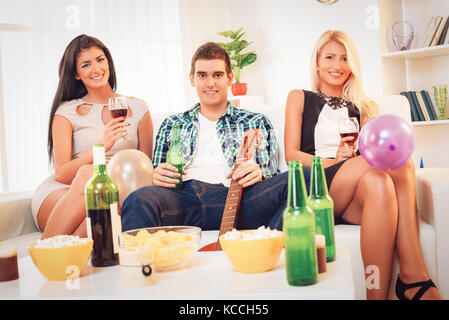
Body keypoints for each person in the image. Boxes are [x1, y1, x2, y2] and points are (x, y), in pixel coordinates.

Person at [284, 30, 441, 300]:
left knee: (381, 179)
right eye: (330, 57)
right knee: (396, 164)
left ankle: (375, 296)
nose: (337, 65)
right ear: (318, 62)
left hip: (353, 192)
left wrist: (356, 160)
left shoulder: (365, 107)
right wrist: (337, 161)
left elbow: (377, 158)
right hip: (318, 186)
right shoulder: (299, 97)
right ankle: (414, 276)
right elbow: (291, 156)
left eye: (345, 58)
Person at [121, 42, 297, 232]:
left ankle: (265, 245)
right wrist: (155, 175)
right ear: (192, 79)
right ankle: (143, 262)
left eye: (218, 75)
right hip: (183, 199)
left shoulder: (256, 121)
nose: (210, 83)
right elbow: (158, 176)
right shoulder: (171, 124)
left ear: (229, 78)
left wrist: (259, 174)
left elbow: (269, 174)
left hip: (239, 198)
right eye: (202, 75)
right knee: (138, 198)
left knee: (299, 179)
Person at [32, 34, 153, 239]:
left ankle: (59, 256)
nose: (96, 69)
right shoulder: (66, 112)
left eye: (100, 60)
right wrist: (100, 147)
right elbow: (62, 174)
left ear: (108, 62)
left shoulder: (139, 108)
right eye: (86, 65)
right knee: (89, 176)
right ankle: (45, 251)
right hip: (65, 191)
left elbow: (145, 166)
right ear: (76, 74)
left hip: (112, 198)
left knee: (110, 207)